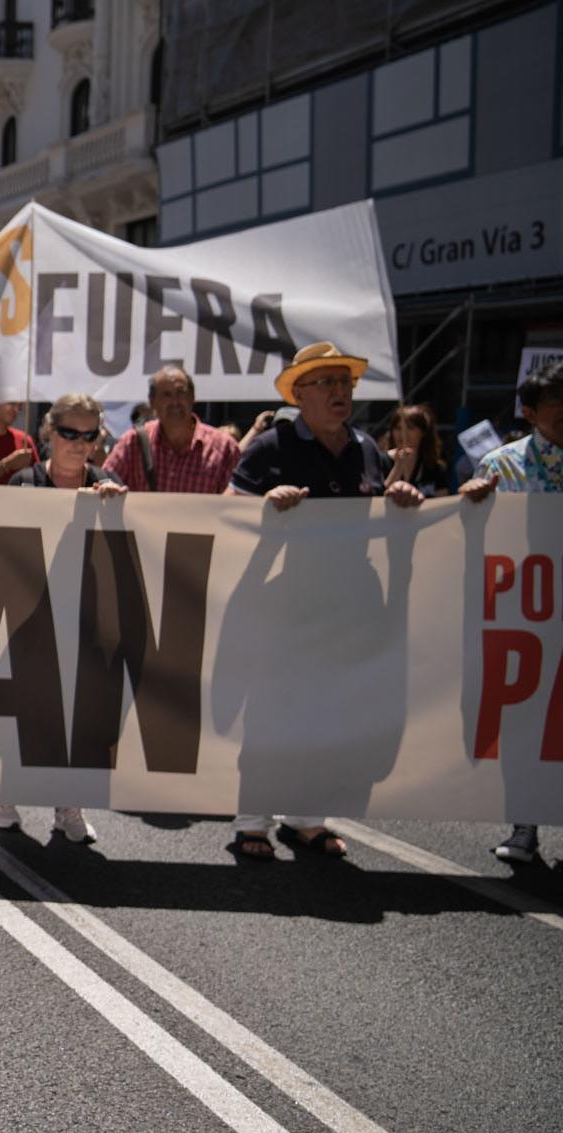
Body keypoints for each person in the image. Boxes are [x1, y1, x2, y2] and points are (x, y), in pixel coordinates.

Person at [224, 342, 425, 861]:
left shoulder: (365, 447)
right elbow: (226, 515)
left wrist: (400, 496)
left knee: (326, 715)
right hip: (284, 601)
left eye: (346, 383)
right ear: (300, 393)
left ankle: (306, 818)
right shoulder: (271, 447)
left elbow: (377, 511)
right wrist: (266, 506)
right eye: (328, 383)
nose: (342, 393)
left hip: (350, 604)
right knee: (272, 713)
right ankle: (252, 821)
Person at [0, 394, 128, 844]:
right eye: (70, 433)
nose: (79, 444)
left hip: (86, 624)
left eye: (90, 435)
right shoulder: (24, 483)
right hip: (30, 622)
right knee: (24, 713)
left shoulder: (109, 483)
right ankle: (6, 795)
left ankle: (68, 805)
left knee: (80, 718)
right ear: (50, 432)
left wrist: (117, 509)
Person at [458, 360, 563, 864]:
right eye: (556, 401)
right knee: (525, 721)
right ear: (530, 411)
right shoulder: (502, 466)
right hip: (526, 615)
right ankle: (525, 826)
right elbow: (471, 536)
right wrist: (471, 503)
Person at [103, 365, 242, 495]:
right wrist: (107, 487)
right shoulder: (133, 442)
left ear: (193, 397)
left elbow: (238, 504)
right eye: (166, 395)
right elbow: (104, 480)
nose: (175, 402)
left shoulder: (225, 448)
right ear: (152, 402)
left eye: (181, 392)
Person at [383, 403, 452, 497]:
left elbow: (442, 503)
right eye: (398, 428)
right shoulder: (380, 461)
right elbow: (379, 499)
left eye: (410, 428)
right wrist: (398, 467)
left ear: (423, 432)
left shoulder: (435, 468)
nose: (403, 433)